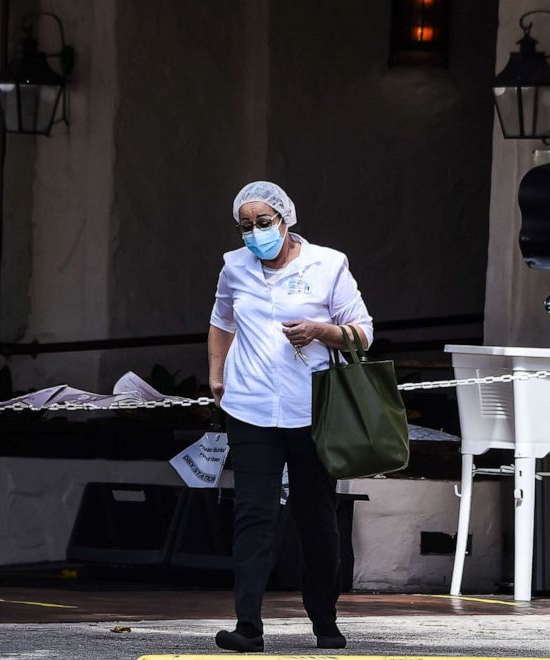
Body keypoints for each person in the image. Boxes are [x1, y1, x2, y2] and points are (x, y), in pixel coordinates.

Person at [207, 181, 373, 652]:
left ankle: (325, 621)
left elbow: (364, 333)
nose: (256, 233)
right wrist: (216, 375)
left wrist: (321, 331)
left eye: (264, 223)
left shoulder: (328, 264)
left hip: (311, 409)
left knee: (316, 516)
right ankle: (247, 627)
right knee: (252, 514)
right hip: (251, 407)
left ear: (285, 219)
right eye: (246, 226)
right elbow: (221, 322)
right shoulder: (233, 266)